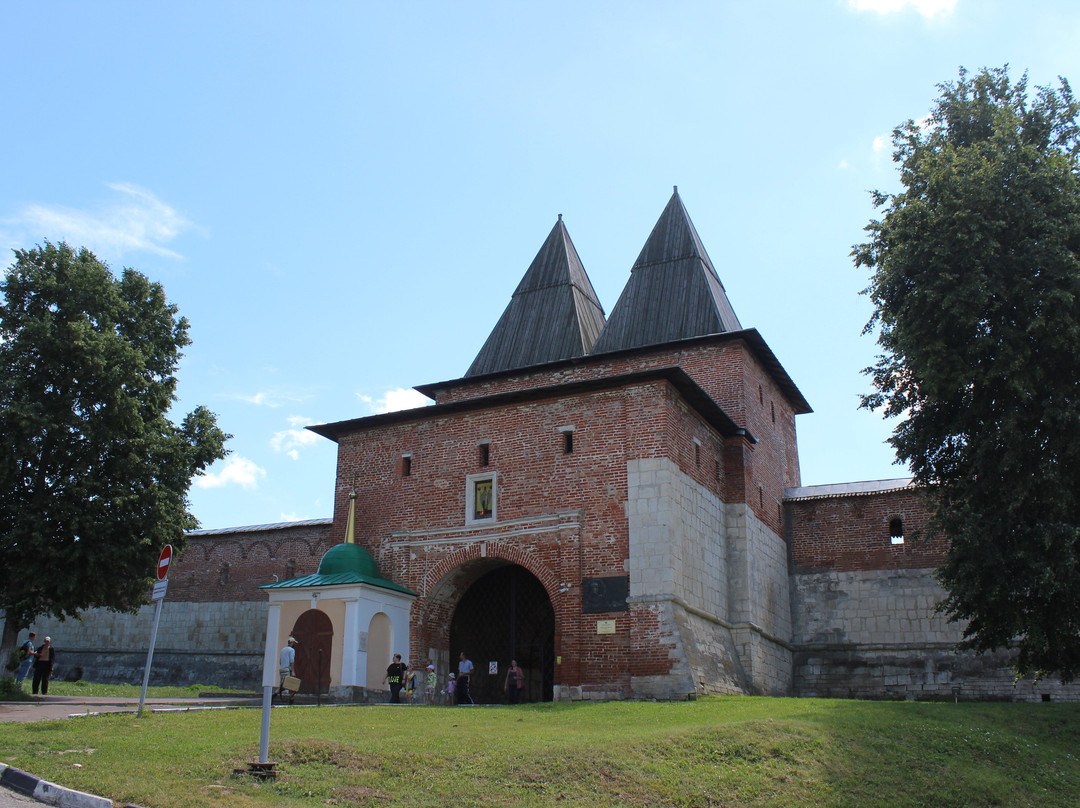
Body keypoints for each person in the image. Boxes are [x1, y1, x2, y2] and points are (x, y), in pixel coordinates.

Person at [278, 636, 298, 704]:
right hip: (287, 669)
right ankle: (291, 701)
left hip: (282, 669)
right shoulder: (291, 650)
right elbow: (292, 661)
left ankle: (274, 696)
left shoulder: (283, 650)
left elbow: (280, 661)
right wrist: (293, 671)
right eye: (294, 643)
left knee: (283, 685)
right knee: (291, 685)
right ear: (292, 643)